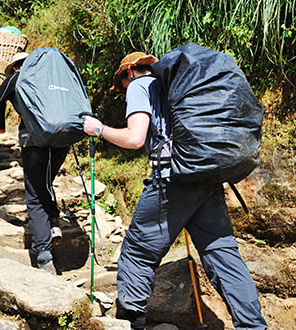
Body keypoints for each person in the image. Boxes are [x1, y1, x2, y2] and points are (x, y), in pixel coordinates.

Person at [83, 52, 268, 330]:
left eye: (121, 83)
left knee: (137, 251)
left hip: (172, 182)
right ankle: (253, 326)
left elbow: (135, 139)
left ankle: (133, 323)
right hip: (207, 178)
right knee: (222, 252)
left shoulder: (139, 86)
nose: (123, 90)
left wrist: (99, 129)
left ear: (130, 72)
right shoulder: (178, 87)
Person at [0, 52, 64, 275]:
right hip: (62, 138)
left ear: (16, 66)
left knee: (34, 195)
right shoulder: (50, 77)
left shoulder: (17, 78)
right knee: (46, 182)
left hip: (35, 141)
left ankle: (44, 258)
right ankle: (53, 223)